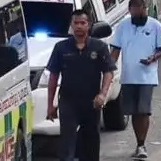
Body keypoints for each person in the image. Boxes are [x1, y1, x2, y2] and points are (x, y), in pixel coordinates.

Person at [45, 10, 116, 161]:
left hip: (91, 103)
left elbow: (109, 72)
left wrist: (102, 94)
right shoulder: (61, 48)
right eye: (75, 23)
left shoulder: (99, 47)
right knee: (66, 144)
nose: (79, 26)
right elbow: (53, 76)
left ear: (88, 25)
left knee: (91, 144)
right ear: (71, 25)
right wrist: (50, 104)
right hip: (68, 102)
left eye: (82, 23)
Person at [110, 0, 161, 160]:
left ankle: (142, 144)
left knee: (144, 111)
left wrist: (152, 59)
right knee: (133, 112)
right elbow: (115, 50)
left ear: (144, 10)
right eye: (133, 14)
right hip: (128, 76)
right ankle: (138, 143)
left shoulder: (155, 25)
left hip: (146, 77)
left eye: (139, 13)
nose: (136, 17)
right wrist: (108, 70)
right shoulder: (123, 26)